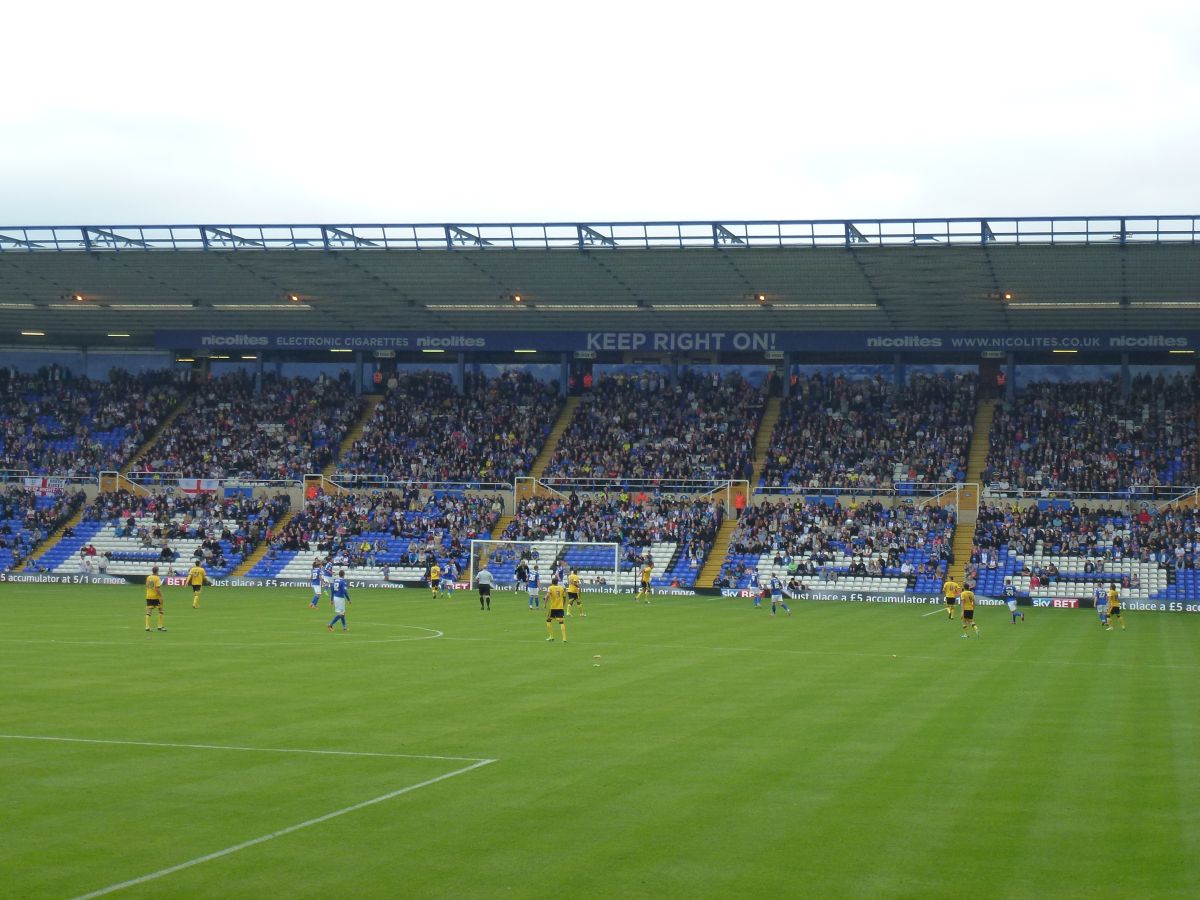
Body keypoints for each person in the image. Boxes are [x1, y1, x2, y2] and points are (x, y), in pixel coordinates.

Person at [545, 576, 567, 642]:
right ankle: (564, 639)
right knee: (561, 622)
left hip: (553, 608)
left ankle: (551, 636)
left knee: (548, 620)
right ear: (557, 582)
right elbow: (564, 597)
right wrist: (563, 605)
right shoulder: (561, 588)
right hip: (560, 607)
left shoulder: (550, 588)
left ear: (552, 582)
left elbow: (547, 596)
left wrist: (545, 603)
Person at [145, 565, 166, 633]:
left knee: (149, 611)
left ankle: (147, 627)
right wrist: (161, 596)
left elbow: (147, 585)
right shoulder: (157, 578)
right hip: (155, 597)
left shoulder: (148, 577)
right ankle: (160, 626)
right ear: (157, 571)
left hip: (148, 596)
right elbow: (157, 588)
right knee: (161, 610)